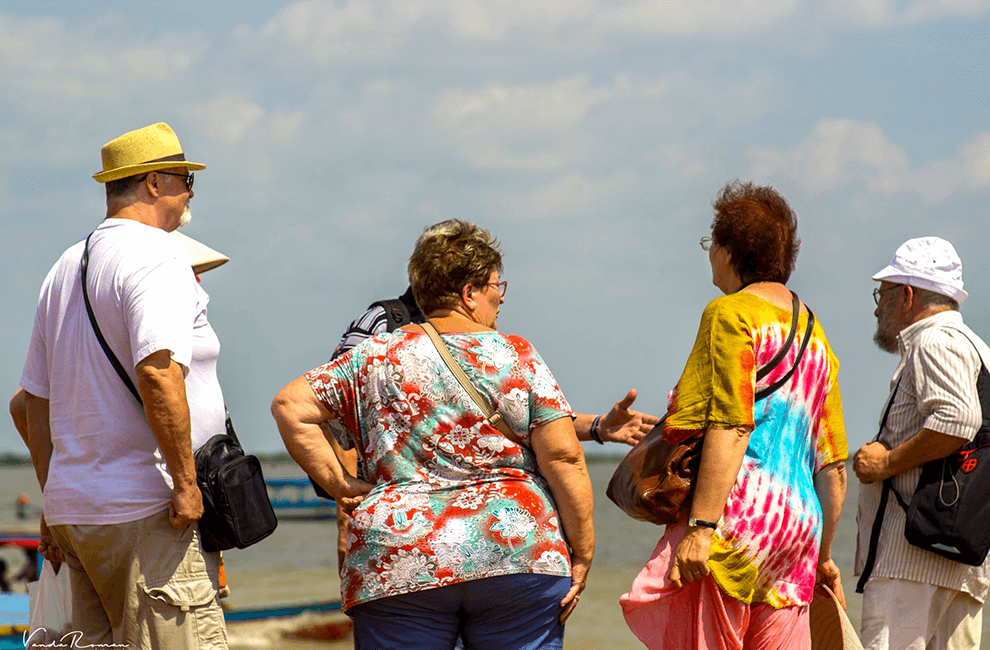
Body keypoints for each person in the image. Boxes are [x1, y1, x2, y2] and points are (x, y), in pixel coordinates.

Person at [272, 219, 595, 650]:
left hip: (399, 557)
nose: (500, 297)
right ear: (469, 294)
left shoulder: (371, 355)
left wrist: (340, 485)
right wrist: (583, 548)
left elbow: (290, 407)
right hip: (517, 552)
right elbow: (563, 458)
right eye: (497, 286)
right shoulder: (516, 354)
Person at [18, 122, 227, 648]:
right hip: (145, 509)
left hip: (78, 514)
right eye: (183, 178)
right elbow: (158, 373)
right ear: (153, 183)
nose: (190, 192)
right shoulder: (158, 255)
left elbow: (29, 403)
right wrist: (184, 482)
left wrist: (53, 497)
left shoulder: (67, 264)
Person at [620, 181, 848, 650]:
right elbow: (834, 465)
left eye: (712, 244)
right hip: (796, 537)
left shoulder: (729, 314)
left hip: (734, 526)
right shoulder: (815, 333)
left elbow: (727, 424)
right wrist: (822, 558)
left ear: (729, 250)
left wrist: (701, 528)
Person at [853, 236, 988, 650]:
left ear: (907, 295)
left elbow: (957, 418)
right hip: (960, 557)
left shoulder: (933, 340)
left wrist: (886, 463)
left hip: (912, 562)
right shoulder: (977, 348)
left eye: (883, 294)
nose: (878, 307)